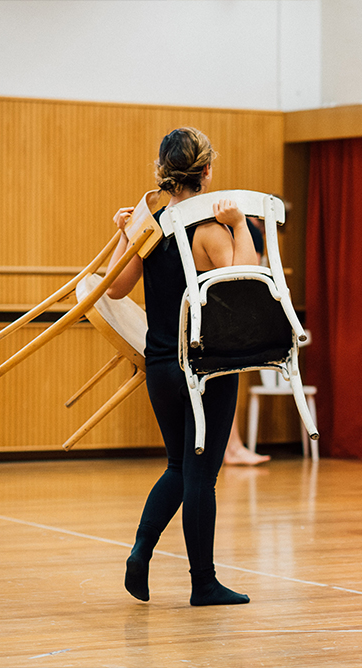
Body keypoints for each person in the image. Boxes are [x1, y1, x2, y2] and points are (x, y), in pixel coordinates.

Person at [107, 127, 257, 606]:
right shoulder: (210, 230)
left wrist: (126, 235)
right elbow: (245, 285)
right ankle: (203, 583)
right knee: (200, 476)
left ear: (163, 172)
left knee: (179, 466)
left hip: (161, 364)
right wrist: (239, 226)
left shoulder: (151, 228)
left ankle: (141, 550)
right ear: (207, 171)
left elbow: (115, 288)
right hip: (207, 363)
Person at [223, 215, 271, 466]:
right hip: (229, 314)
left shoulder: (233, 227)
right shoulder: (248, 231)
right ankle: (232, 447)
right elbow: (249, 276)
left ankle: (231, 446)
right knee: (225, 381)